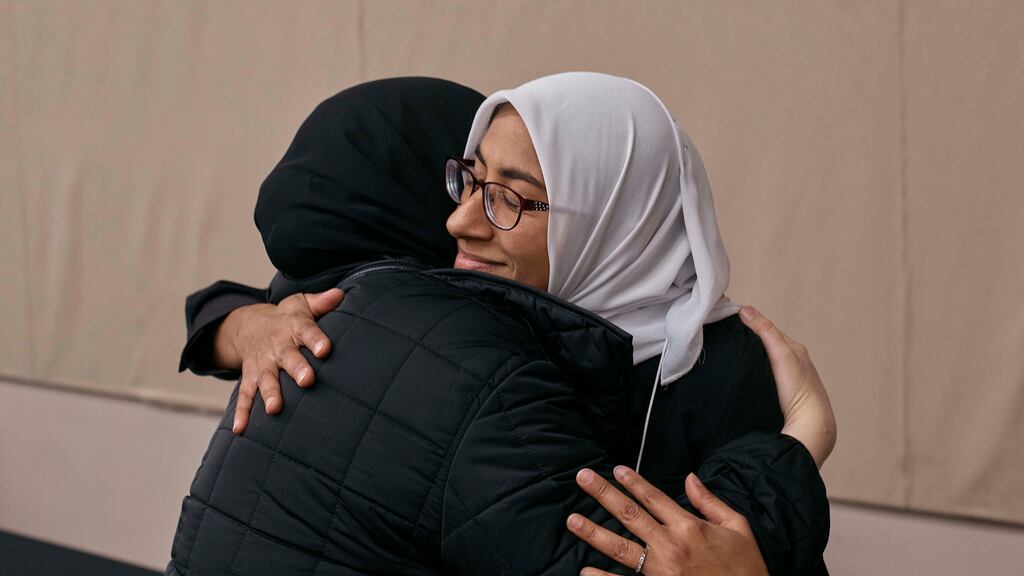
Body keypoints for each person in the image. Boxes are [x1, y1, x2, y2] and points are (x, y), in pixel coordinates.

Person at [171, 74, 831, 576]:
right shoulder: (465, 334)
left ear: (610, 213)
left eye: (511, 197)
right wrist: (247, 322)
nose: (460, 221)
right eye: (472, 181)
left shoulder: (718, 365)